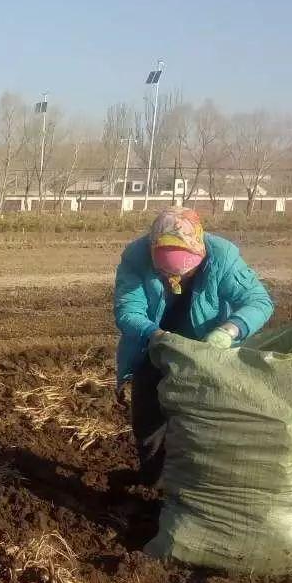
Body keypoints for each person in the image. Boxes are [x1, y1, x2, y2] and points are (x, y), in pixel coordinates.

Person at [113, 206, 274, 485]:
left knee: (205, 422)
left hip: (208, 353)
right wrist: (157, 336)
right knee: (149, 423)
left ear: (200, 252)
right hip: (153, 348)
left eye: (186, 274)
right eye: (165, 274)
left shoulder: (222, 257)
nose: (177, 281)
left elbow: (258, 302)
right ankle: (155, 485)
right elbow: (129, 312)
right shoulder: (136, 257)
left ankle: (201, 485)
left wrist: (228, 330)